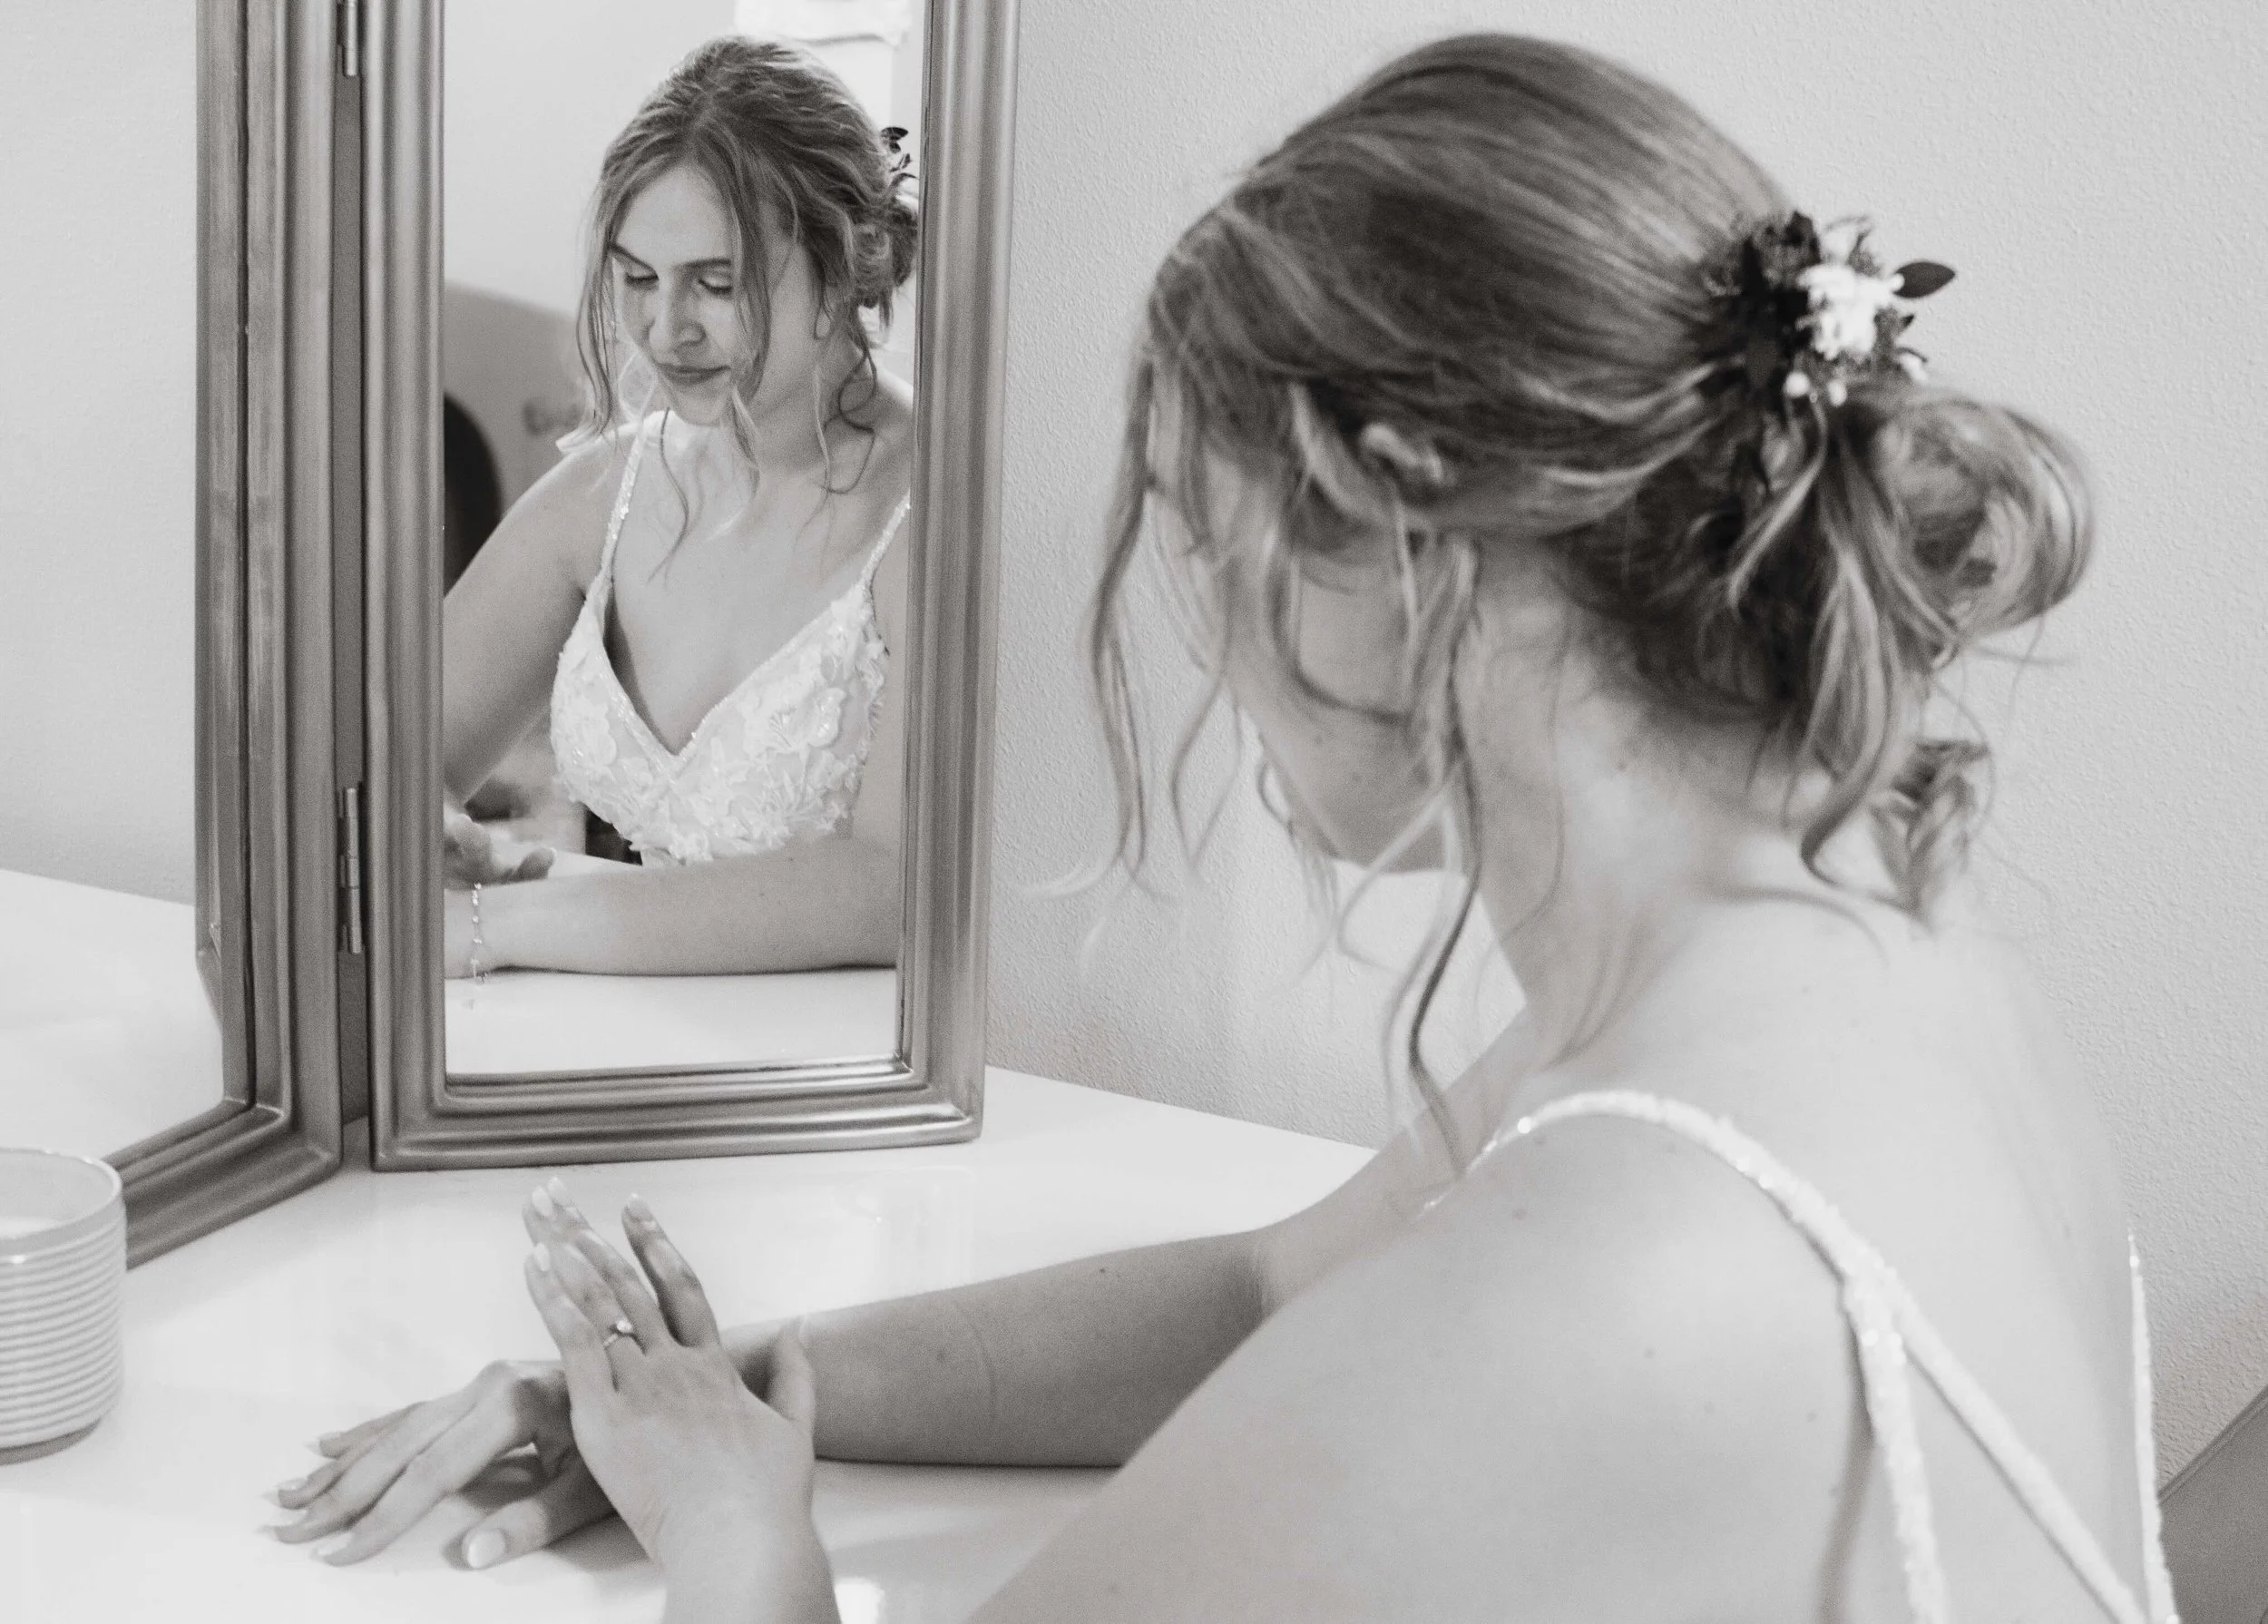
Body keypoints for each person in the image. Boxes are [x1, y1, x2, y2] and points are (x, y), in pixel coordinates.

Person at [272, 34, 2175, 1620]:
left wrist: (732, 1535)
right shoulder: (1842, 962)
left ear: (1410, 538)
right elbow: (1267, 1287)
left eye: (1201, 529)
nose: (1190, 618)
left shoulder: (1597, 1285)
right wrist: (742, 1389)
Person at [437, 35, 919, 979]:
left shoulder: (932, 506)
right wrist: (477, 857)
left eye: (717, 281)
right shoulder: (601, 494)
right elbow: (379, 767)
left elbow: (892, 889)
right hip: (636, 1044)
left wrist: (507, 923)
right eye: (638, 278)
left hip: (859, 1080)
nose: (667, 330)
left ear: (850, 259)